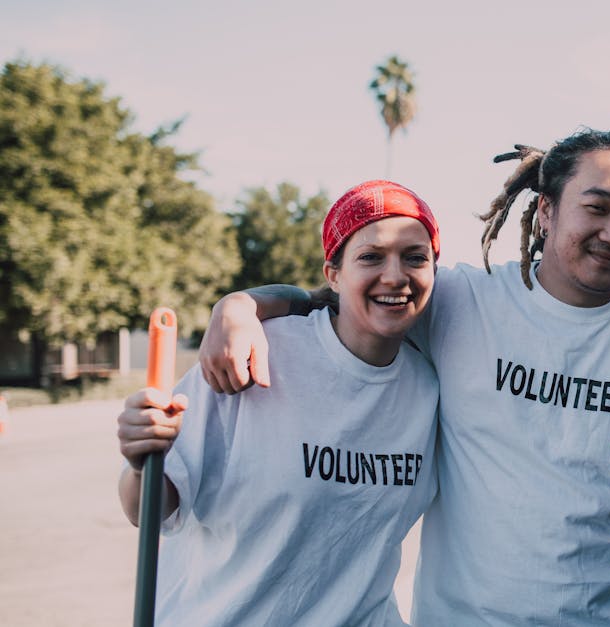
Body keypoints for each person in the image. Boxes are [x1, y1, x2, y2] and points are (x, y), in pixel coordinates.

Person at [198, 129, 610, 625]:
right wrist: (241, 305)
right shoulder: (464, 300)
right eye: (597, 208)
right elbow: (343, 300)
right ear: (546, 213)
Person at [116, 180, 442, 625]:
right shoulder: (253, 352)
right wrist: (141, 461)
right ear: (333, 273)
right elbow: (149, 511)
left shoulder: (431, 386)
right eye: (370, 256)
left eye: (414, 257)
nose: (394, 276)